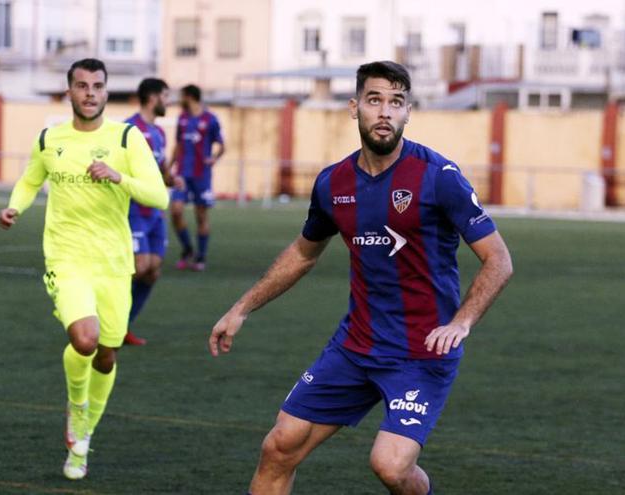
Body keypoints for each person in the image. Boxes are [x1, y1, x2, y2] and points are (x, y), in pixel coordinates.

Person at [208, 61, 513, 495]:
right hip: (356, 346)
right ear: (355, 108)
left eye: (396, 102)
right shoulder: (333, 183)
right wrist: (241, 309)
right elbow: (301, 253)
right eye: (374, 100)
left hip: (421, 352)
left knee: (390, 466)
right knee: (280, 446)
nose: (385, 112)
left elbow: (498, 259)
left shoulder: (438, 177)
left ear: (408, 112)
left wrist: (461, 323)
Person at [0, 58, 169, 480]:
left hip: (112, 262)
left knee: (107, 355)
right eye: (81, 85)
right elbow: (30, 180)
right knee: (86, 339)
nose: (90, 92)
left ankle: (84, 441)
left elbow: (159, 195)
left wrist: (118, 177)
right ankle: (77, 406)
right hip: (66, 256)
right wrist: (14, 207)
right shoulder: (48, 138)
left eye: (97, 85)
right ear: (69, 91)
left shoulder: (127, 138)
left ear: (107, 92)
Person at [123, 77, 171, 346]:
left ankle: (123, 327)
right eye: (165, 96)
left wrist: (170, 178)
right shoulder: (128, 129)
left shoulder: (160, 133)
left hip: (155, 211)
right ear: (153, 97)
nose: (168, 101)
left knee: (152, 271)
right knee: (139, 266)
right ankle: (106, 320)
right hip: (133, 210)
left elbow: (160, 170)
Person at [168, 84, 224, 271]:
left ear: (190, 96)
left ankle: (201, 257)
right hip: (182, 174)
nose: (180, 99)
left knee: (201, 217)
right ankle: (187, 249)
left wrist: (214, 158)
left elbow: (222, 145)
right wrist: (168, 167)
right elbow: (178, 144)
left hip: (201, 175)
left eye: (182, 96)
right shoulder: (182, 118)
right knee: (175, 211)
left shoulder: (210, 119)